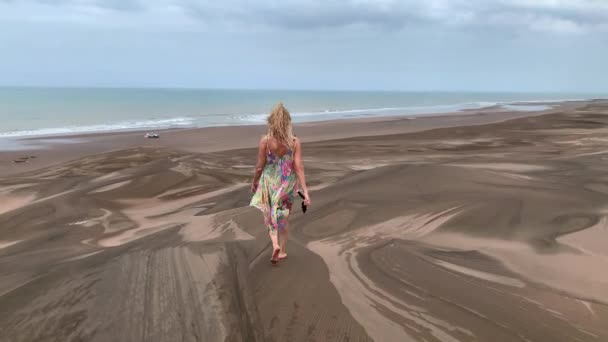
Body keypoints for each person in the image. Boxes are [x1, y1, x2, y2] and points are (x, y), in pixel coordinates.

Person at [250, 102, 311, 265]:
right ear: (287, 122)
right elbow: (299, 167)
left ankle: (275, 244)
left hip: (270, 182)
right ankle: (282, 251)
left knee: (270, 216)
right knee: (283, 217)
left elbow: (259, 167)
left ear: (271, 122)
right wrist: (305, 191)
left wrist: (255, 182)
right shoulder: (294, 141)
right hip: (288, 183)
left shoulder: (265, 141)